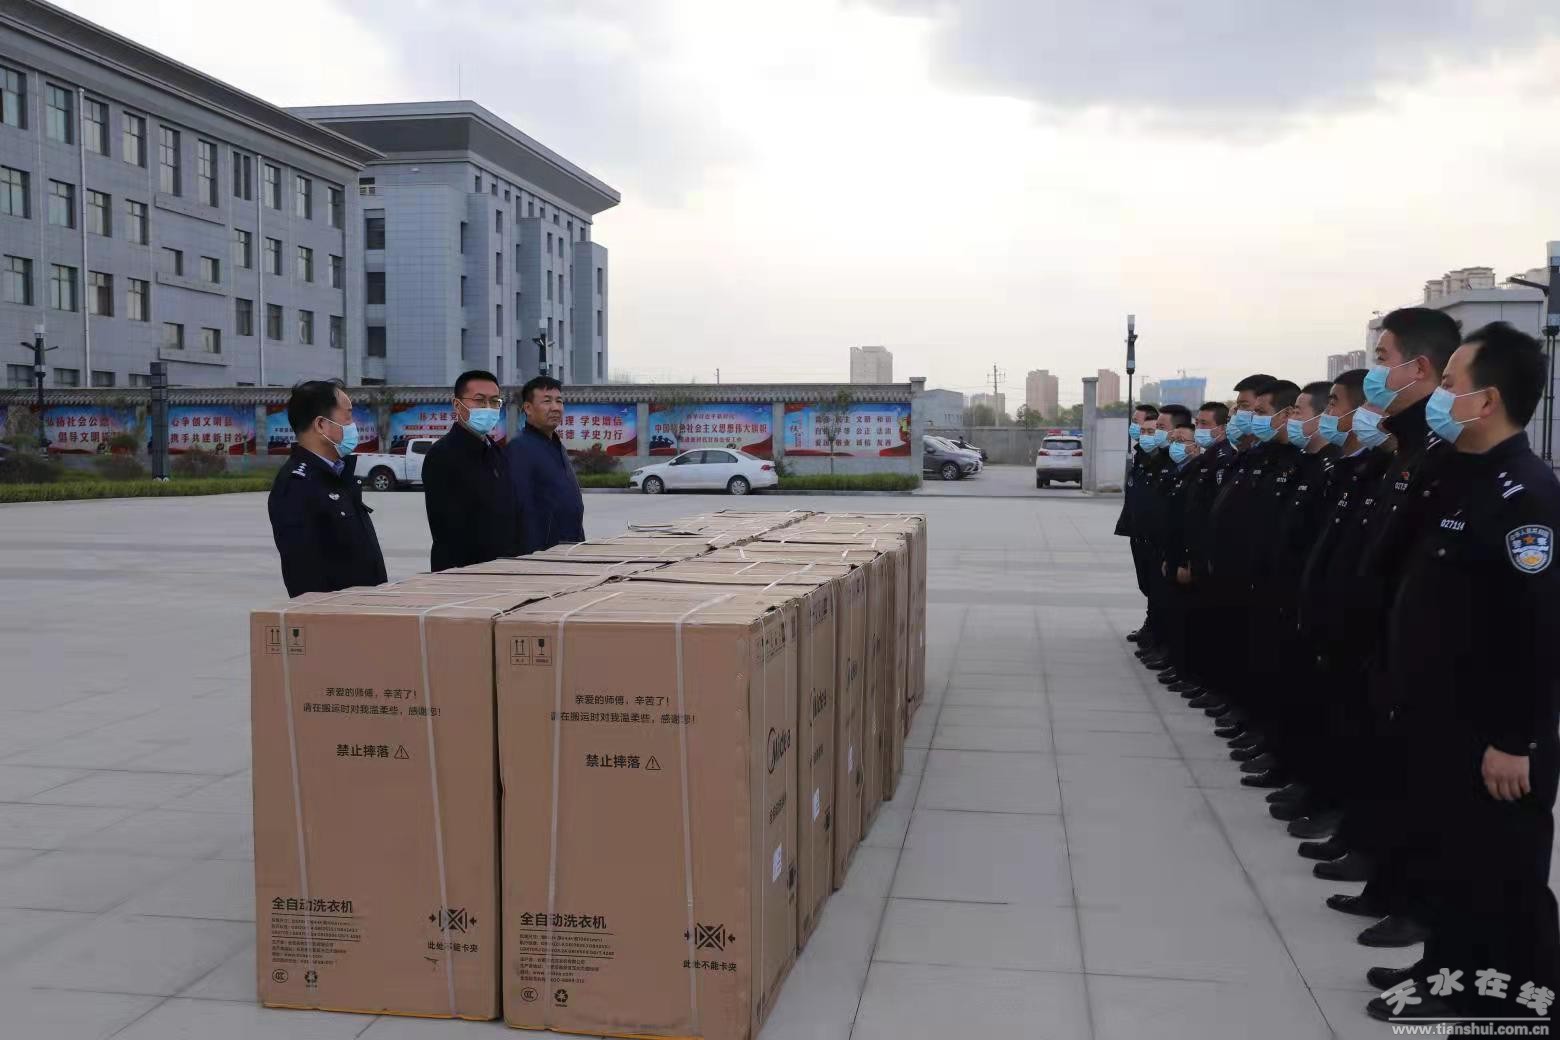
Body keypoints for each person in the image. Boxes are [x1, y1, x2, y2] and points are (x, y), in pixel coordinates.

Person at [1364, 321, 1560, 1022]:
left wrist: (1515, 739)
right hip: (1441, 719)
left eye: (1449, 385)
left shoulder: (1527, 496)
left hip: (1491, 734)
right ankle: (1443, 977)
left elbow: (1539, 632)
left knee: (1502, 881)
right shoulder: (1457, 476)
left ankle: (1519, 1009)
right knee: (1449, 864)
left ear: (1488, 400)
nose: (1438, 397)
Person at [267, 379, 387, 597]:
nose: (353, 425)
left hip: (365, 607)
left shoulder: (338, 474)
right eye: (348, 416)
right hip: (337, 613)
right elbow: (304, 576)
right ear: (321, 425)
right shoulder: (297, 485)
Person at [422, 370, 524, 571]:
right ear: (457, 405)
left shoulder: (495, 451)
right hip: (465, 574)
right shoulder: (442, 455)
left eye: (494, 401)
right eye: (479, 400)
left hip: (502, 568)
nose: (488, 408)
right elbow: (448, 528)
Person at [507, 375, 585, 554]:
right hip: (542, 555)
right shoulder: (519, 449)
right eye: (547, 401)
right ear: (528, 408)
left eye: (559, 401)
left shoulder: (558, 446)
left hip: (569, 549)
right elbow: (520, 510)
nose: (555, 407)